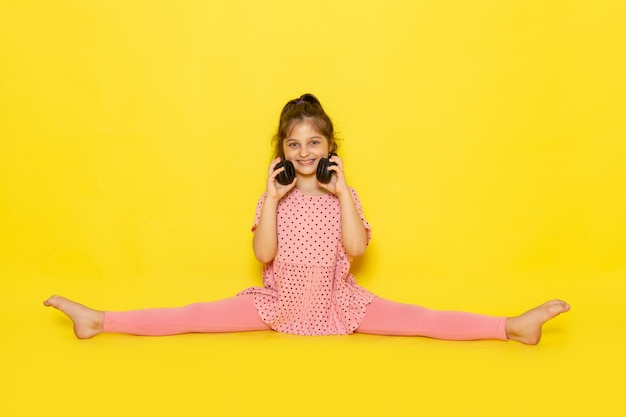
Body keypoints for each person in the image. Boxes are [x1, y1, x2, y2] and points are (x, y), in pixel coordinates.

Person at [44, 93, 570, 344]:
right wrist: (271, 198)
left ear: (328, 147)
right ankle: (101, 320)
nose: (302, 150)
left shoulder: (346, 192)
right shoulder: (272, 197)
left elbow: (358, 250)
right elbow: (263, 255)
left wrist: (341, 193)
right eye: (292, 144)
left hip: (340, 303)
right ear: (282, 150)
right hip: (278, 304)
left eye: (312, 142)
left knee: (423, 321)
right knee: (191, 315)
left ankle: (510, 326)